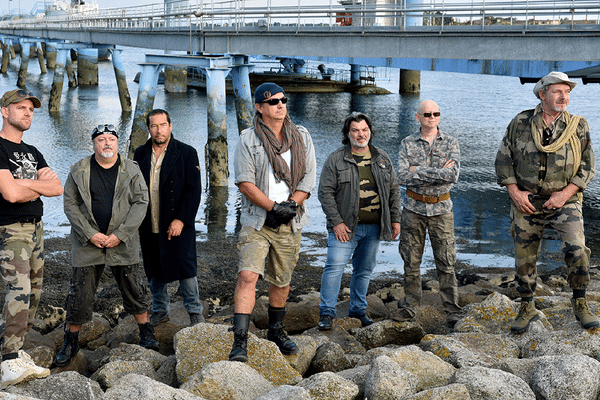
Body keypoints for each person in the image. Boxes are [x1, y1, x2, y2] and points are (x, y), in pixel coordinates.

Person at [495, 71, 597, 333]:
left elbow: (587, 167)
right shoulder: (520, 122)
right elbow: (504, 159)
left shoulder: (578, 126)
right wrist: (515, 193)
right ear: (542, 94)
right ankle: (527, 306)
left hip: (565, 200)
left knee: (577, 250)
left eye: (568, 92)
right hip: (527, 201)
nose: (564, 97)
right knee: (524, 256)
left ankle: (580, 303)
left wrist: (564, 195)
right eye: (558, 91)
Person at [57, 124, 159, 367]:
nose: (106, 143)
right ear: (93, 144)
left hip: (122, 242)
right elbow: (70, 204)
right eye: (101, 139)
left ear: (117, 143)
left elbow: (141, 202)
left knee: (135, 287)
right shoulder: (79, 169)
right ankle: (70, 340)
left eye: (111, 139)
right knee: (79, 293)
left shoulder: (132, 170)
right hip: (87, 243)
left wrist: (121, 234)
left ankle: (146, 332)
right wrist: (91, 234)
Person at [229, 82, 316, 362]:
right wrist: (272, 207)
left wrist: (290, 205)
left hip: (290, 219)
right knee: (248, 275)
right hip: (258, 220)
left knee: (282, 279)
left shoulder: (302, 136)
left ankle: (276, 330)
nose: (281, 105)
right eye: (273, 101)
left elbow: (308, 178)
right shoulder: (248, 139)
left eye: (283, 100)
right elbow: (245, 182)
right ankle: (239, 341)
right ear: (259, 107)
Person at [0, 89, 63, 388]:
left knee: (34, 293)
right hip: (10, 229)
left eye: (31, 109)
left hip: (36, 228)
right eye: (21, 108)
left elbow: (57, 187)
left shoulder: (33, 151)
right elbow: (10, 195)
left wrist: (22, 184)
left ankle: (16, 351)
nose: (28, 113)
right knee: (19, 290)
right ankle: (8, 359)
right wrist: (36, 184)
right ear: (4, 112)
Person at [317, 112, 401, 331]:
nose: (360, 134)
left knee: (363, 270)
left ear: (370, 132)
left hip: (374, 227)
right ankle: (326, 313)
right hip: (345, 228)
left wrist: (395, 220)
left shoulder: (382, 158)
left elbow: (394, 190)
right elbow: (325, 192)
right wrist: (336, 222)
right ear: (347, 133)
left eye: (364, 130)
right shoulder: (336, 159)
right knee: (334, 267)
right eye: (355, 130)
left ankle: (358, 309)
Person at [392, 99, 463, 331]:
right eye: (427, 114)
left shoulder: (451, 142)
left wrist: (418, 171)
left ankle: (452, 310)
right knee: (411, 261)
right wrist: (437, 173)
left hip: (442, 210)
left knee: (446, 262)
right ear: (418, 117)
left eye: (436, 114)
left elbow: (453, 176)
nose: (432, 117)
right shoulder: (407, 143)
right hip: (413, 209)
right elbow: (402, 176)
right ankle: (410, 306)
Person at [134, 109, 204, 327]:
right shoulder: (140, 153)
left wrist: (181, 220)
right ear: (148, 129)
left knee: (185, 266)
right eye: (153, 126)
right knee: (154, 267)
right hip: (149, 221)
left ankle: (194, 311)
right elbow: (134, 189)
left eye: (162, 125)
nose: (158, 130)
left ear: (170, 126)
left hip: (176, 222)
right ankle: (160, 310)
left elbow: (194, 190)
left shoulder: (186, 152)